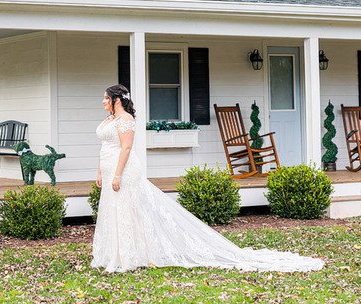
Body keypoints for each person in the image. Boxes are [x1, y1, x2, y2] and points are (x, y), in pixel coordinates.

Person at [91, 84, 324, 273]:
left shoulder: (126, 120)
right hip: (109, 168)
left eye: (106, 98)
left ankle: (127, 256)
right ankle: (112, 254)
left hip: (125, 171)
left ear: (117, 100)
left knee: (125, 210)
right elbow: (105, 147)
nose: (103, 101)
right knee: (112, 209)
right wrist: (101, 172)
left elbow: (126, 148)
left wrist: (118, 174)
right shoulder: (109, 120)